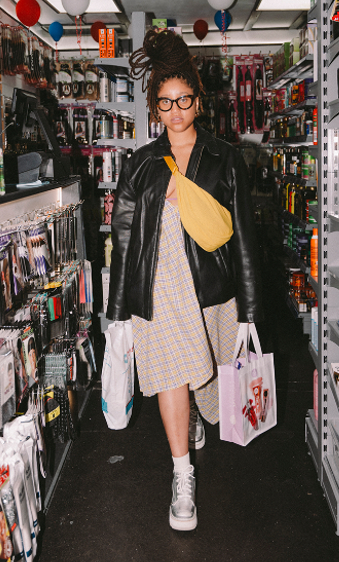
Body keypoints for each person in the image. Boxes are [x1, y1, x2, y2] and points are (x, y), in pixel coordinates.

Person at [108, 29, 262, 532]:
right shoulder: (141, 163)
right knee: (173, 372)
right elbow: (124, 238)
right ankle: (181, 475)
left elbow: (242, 238)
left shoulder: (225, 158)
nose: (175, 111)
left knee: (208, 380)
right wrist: (117, 314)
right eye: (165, 102)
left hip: (211, 290)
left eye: (184, 100)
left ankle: (193, 417)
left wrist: (251, 312)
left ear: (198, 100)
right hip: (159, 290)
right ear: (155, 107)